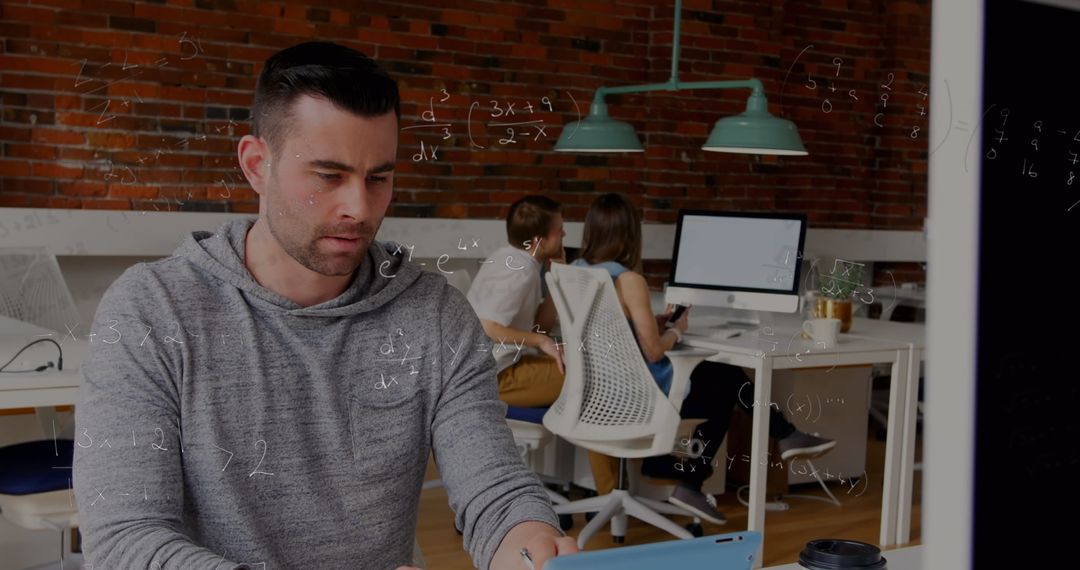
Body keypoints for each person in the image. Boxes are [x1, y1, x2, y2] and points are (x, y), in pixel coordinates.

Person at [73, 41, 578, 570]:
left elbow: (495, 489)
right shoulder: (150, 311)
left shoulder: (435, 317)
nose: (358, 208)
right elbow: (124, 541)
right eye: (328, 176)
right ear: (255, 165)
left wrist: (529, 545)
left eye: (378, 178)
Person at [570, 193, 836, 524]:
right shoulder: (628, 279)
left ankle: (758, 446)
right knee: (724, 379)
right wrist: (677, 330)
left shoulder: (577, 273)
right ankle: (757, 447)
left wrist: (650, 325)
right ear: (629, 234)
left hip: (601, 395)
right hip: (639, 400)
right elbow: (653, 351)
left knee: (719, 378)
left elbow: (608, 329)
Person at [466, 195, 567, 408]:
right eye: (559, 231)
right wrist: (541, 342)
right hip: (493, 378)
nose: (564, 234)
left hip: (496, 368)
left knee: (577, 370)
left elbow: (540, 327)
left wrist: (558, 278)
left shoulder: (510, 258)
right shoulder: (520, 271)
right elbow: (487, 326)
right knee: (588, 380)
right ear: (540, 241)